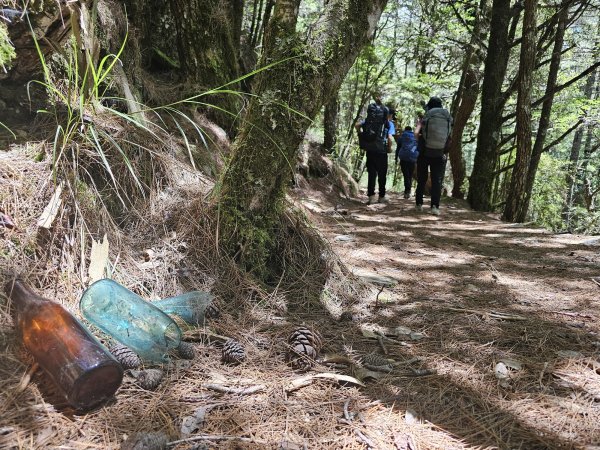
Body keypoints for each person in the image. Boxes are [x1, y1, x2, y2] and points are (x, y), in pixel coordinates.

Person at [414, 96, 452, 215]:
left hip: (425, 152)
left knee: (422, 179)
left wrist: (419, 142)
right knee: (437, 181)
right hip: (439, 153)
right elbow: (450, 136)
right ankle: (435, 207)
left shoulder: (427, 116)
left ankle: (419, 204)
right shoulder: (447, 117)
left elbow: (416, 133)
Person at [355, 92, 395, 205]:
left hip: (370, 149)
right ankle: (381, 197)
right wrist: (389, 148)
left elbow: (357, 125)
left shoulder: (369, 121)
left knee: (372, 173)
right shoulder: (388, 123)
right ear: (388, 115)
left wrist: (361, 135)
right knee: (382, 174)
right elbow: (390, 138)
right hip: (381, 151)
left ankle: (371, 197)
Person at [395, 126, 418, 199]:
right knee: (410, 175)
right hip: (413, 158)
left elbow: (398, 148)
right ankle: (409, 191)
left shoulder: (402, 136)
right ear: (411, 130)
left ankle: (406, 191)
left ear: (405, 130)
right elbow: (417, 147)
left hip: (404, 158)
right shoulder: (415, 137)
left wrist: (396, 158)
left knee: (406, 175)